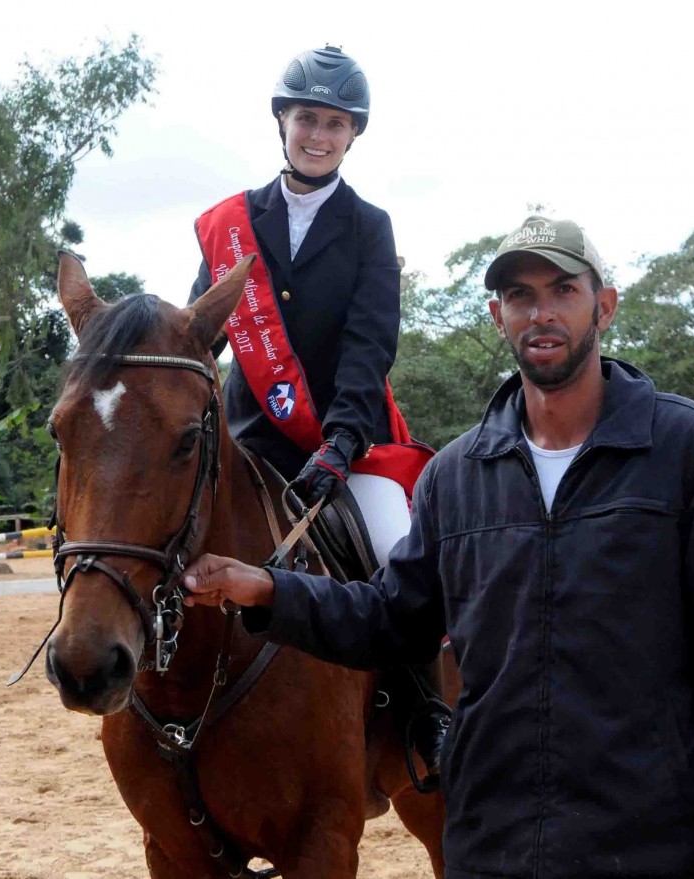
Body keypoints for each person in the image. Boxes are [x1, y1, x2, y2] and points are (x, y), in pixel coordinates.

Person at [179, 216, 694, 879]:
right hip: (492, 845)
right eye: (521, 296)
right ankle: (423, 730)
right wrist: (268, 589)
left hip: (648, 845)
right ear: (499, 316)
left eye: (563, 290)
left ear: (605, 306)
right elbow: (391, 618)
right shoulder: (455, 474)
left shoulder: (689, 448)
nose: (542, 313)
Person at [187, 45, 444, 774]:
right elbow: (199, 334)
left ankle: (427, 713)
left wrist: (340, 441)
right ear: (282, 121)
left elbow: (370, 344)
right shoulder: (231, 225)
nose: (319, 135)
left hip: (347, 447)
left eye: (335, 123)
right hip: (247, 442)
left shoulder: (369, 227)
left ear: (353, 134)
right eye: (307, 119)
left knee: (398, 553)